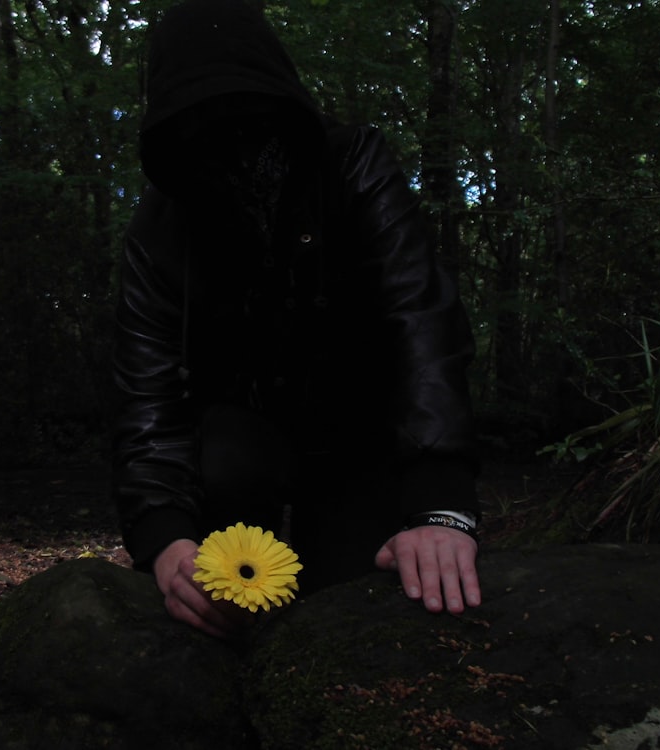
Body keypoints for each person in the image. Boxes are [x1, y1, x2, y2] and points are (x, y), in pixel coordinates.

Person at [111, 0, 482, 639]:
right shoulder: (160, 231)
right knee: (229, 596)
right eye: (200, 122)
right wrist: (165, 538)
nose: (231, 141)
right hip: (238, 450)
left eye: (249, 114)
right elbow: (148, 399)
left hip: (359, 438)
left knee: (353, 608)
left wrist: (439, 503)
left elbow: (418, 320)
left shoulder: (353, 164)